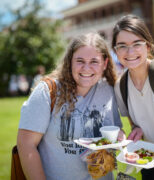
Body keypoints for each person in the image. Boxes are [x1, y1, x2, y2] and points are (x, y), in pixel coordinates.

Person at [17, 32, 125, 180]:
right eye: (80, 61)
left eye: (94, 61)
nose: (86, 68)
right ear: (70, 62)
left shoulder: (109, 90)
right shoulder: (47, 91)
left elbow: (116, 131)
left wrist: (119, 137)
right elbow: (26, 145)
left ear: (105, 63)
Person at [112, 14, 154, 180]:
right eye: (122, 46)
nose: (130, 52)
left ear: (148, 47)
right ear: (116, 51)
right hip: (151, 160)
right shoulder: (120, 86)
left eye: (137, 44)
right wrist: (137, 129)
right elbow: (134, 125)